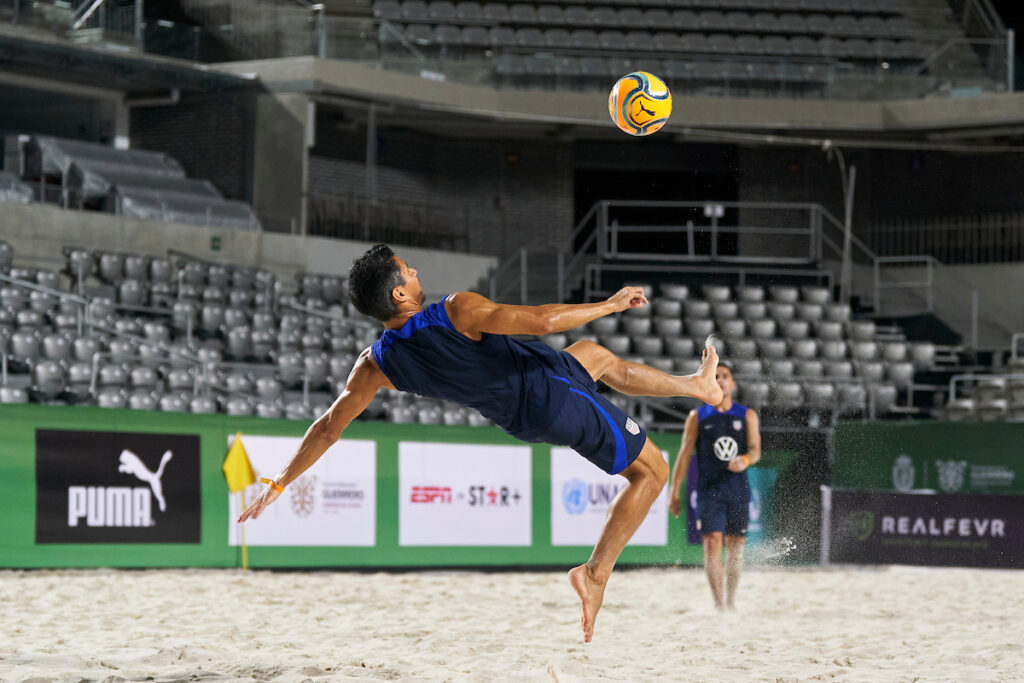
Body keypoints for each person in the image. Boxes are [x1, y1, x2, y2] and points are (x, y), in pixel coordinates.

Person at [238, 244, 723, 642]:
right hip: (552, 396)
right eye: (408, 269)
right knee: (652, 472)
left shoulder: (375, 364)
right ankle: (595, 573)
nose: (416, 268)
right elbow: (541, 322)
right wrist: (611, 304)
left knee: (594, 356)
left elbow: (327, 427)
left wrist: (279, 482)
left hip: (523, 412)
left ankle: (697, 386)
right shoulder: (455, 310)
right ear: (400, 291)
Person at [668, 362, 761, 611]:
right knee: (711, 544)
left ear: (733, 383)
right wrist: (674, 490)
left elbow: (756, 450)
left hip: (737, 490)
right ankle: (719, 604)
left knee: (736, 548)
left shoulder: (747, 415)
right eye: (716, 376)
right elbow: (684, 455)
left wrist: (745, 460)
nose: (720, 380)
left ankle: (731, 600)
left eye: (725, 376)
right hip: (709, 490)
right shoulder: (697, 417)